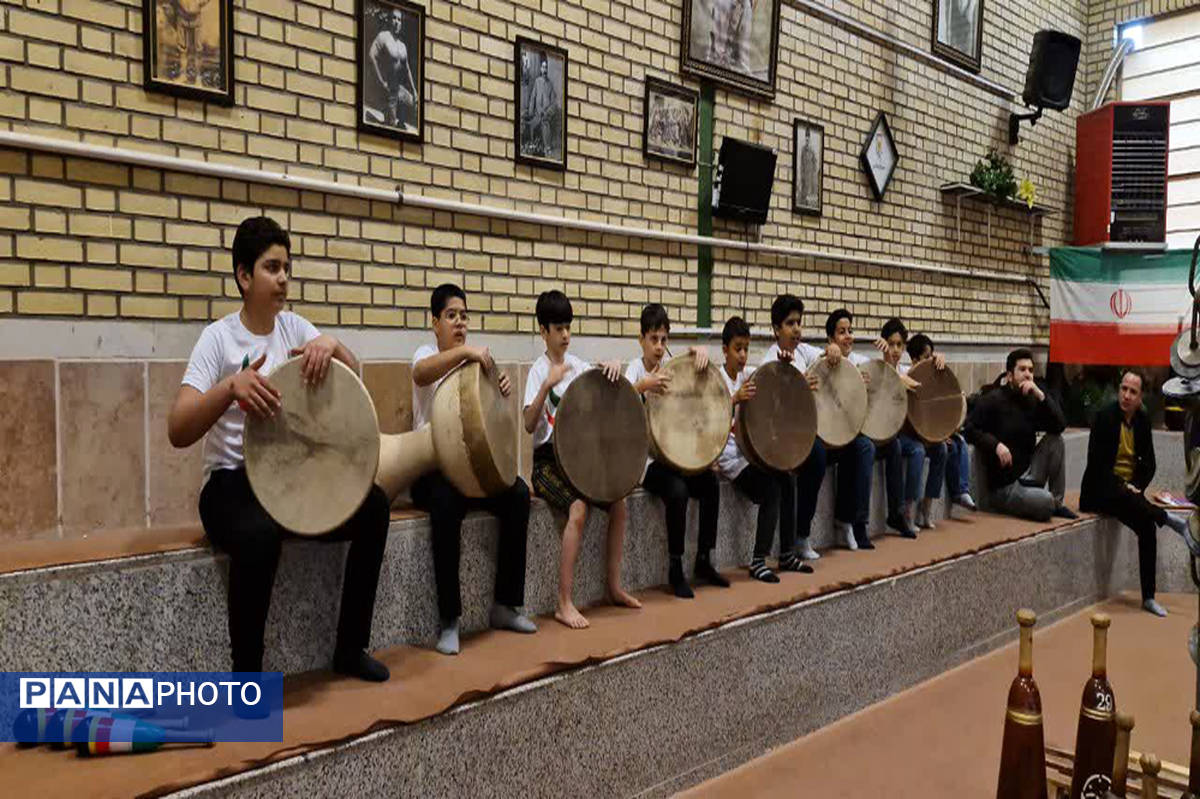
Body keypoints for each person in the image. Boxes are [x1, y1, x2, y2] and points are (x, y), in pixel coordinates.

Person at [168, 216, 390, 681]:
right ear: (244, 276)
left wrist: (333, 345)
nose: (284, 278)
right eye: (272, 267)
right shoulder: (219, 338)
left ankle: (350, 648)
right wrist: (230, 388)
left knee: (373, 508)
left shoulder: (294, 328)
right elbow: (178, 428)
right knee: (259, 535)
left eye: (287, 267)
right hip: (230, 484)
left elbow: (355, 379)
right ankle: (246, 678)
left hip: (292, 482)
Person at [410, 283, 536, 656]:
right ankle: (450, 621)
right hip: (431, 468)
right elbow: (420, 374)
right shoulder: (426, 354)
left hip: (471, 468)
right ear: (435, 323)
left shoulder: (477, 364)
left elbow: (491, 420)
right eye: (451, 316)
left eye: (464, 316)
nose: (460, 322)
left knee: (516, 494)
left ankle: (505, 605)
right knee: (446, 505)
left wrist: (500, 389)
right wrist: (466, 353)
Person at [523, 290, 638, 629]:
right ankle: (563, 602)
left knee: (619, 501)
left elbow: (608, 382)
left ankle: (614, 586)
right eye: (558, 328)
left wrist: (616, 366)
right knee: (578, 508)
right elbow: (529, 424)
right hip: (546, 464)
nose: (565, 336)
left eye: (568, 328)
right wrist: (547, 386)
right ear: (543, 331)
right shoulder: (538, 370)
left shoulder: (579, 367)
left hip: (580, 462)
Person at [628, 303, 729, 598]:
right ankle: (676, 567)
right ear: (641, 340)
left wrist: (701, 354)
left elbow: (697, 384)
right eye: (653, 339)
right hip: (646, 462)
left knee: (710, 484)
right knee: (678, 491)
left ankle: (704, 560)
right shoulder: (635, 370)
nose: (659, 347)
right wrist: (642, 386)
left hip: (677, 456)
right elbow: (620, 409)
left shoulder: (674, 367)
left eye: (664, 339)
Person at [1080, 370, 1199, 616]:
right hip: (1100, 489)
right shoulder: (1104, 417)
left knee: (1146, 526)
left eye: (1132, 391)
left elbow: (1150, 464)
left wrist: (1135, 485)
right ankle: (1172, 521)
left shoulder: (1143, 421)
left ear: (1140, 396)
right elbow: (1096, 466)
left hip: (1127, 493)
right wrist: (1125, 487)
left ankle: (1148, 597)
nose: (1126, 395)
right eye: (1123, 389)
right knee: (1124, 496)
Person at [718, 316, 812, 582]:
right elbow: (708, 418)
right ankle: (758, 560)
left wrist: (782, 367)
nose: (743, 355)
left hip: (752, 454)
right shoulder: (718, 379)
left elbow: (773, 389)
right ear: (725, 350)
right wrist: (734, 399)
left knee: (787, 476)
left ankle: (786, 553)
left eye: (746, 348)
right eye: (738, 348)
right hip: (730, 460)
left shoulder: (750, 377)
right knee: (771, 490)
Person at [964, 348, 1077, 522]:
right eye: (1022, 370)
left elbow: (1059, 426)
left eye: (1031, 370)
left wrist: (1041, 396)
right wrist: (996, 445)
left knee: (1056, 441)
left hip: (1029, 474)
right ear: (1009, 375)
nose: (1028, 375)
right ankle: (1049, 503)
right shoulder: (993, 399)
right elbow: (970, 429)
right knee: (1045, 502)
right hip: (1006, 487)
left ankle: (1056, 503)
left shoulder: (1031, 400)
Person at [761, 294, 835, 560]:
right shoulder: (770, 361)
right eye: (790, 323)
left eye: (799, 323)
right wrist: (796, 385)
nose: (797, 329)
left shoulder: (804, 351)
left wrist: (833, 349)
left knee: (840, 450)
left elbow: (827, 353)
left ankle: (806, 535)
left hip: (803, 433)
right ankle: (794, 540)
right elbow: (768, 408)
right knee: (814, 456)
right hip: (779, 436)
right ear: (776, 330)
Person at [823, 308, 883, 548]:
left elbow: (885, 386)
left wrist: (887, 359)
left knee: (864, 447)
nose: (848, 336)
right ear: (831, 339)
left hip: (849, 435)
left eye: (850, 331)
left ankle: (856, 523)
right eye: (841, 332)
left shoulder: (860, 362)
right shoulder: (824, 359)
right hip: (825, 436)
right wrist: (829, 352)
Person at [874, 318, 932, 536]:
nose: (895, 350)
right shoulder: (877, 367)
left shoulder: (908, 371)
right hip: (882, 433)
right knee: (900, 447)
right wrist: (895, 374)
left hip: (903, 433)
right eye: (891, 344)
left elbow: (926, 376)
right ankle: (898, 512)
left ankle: (909, 508)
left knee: (928, 449)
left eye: (899, 345)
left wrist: (939, 359)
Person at [906, 333, 976, 512]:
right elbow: (915, 416)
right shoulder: (907, 376)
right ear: (914, 360)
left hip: (932, 431)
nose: (931, 361)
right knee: (942, 448)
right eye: (926, 357)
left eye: (932, 356)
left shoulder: (931, 375)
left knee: (958, 442)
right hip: (916, 433)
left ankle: (958, 492)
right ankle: (911, 508)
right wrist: (935, 436)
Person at [367, 9, 419, 130]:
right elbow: (371, 56)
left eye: (399, 20)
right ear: (390, 20)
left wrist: (414, 91)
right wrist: (381, 81)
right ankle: (389, 118)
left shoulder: (402, 46)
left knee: (412, 103)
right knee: (391, 126)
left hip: (397, 88)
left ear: (401, 24)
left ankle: (398, 120)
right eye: (394, 18)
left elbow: (407, 70)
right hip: (386, 86)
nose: (396, 22)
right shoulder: (383, 36)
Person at [524, 55, 558, 157]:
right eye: (543, 67)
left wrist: (548, 111)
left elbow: (554, 102)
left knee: (545, 121)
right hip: (537, 113)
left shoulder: (550, 84)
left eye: (546, 67)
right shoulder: (537, 81)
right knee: (539, 121)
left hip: (546, 114)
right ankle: (542, 146)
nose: (545, 69)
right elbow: (533, 98)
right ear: (540, 68)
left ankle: (547, 147)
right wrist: (531, 111)